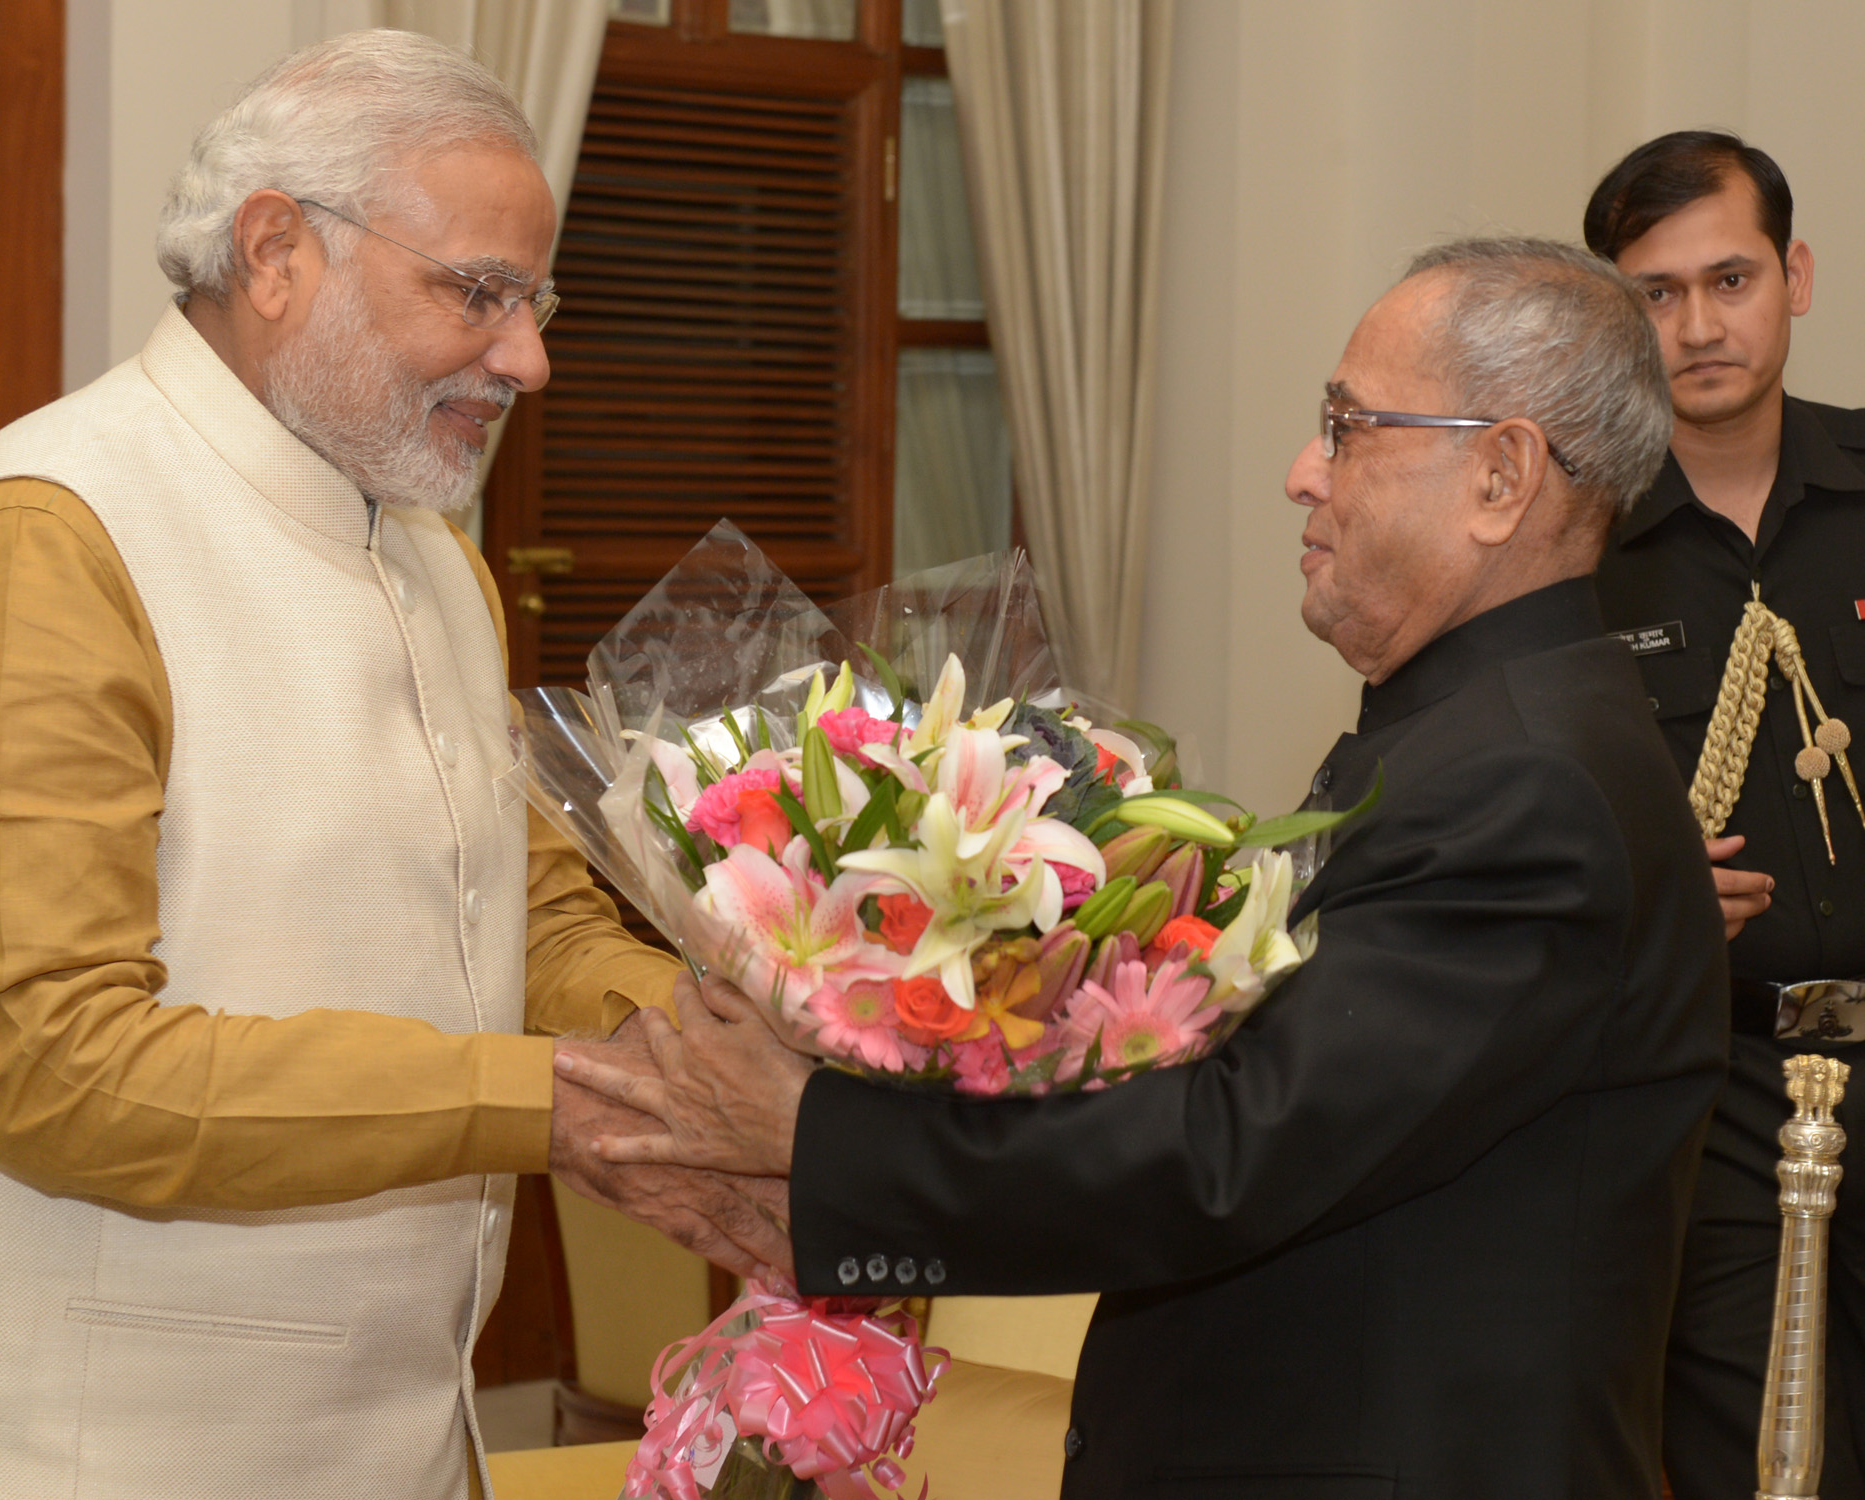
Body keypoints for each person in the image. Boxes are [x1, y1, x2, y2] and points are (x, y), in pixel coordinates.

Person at [0, 32, 779, 1500]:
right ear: (275, 249)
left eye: (536, 301)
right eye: (477, 293)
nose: (530, 358)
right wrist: (569, 1105)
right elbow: (55, 1064)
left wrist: (757, 1068)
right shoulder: (47, 536)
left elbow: (523, 917)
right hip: (57, 1461)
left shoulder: (431, 554)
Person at [560, 238, 1734, 1498]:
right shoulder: (1483, 736)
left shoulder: (1528, 780)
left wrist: (820, 1137)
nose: (1302, 474)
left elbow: (1234, 1152)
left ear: (1502, 475)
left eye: (1347, 427)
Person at [1586, 130, 1865, 1500]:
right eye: (1654, 293)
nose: (1698, 326)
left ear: (1795, 275)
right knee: (1759, 1462)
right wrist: (1635, 884)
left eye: (1731, 278)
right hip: (1716, 1090)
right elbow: (1498, 812)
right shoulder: (1569, 546)